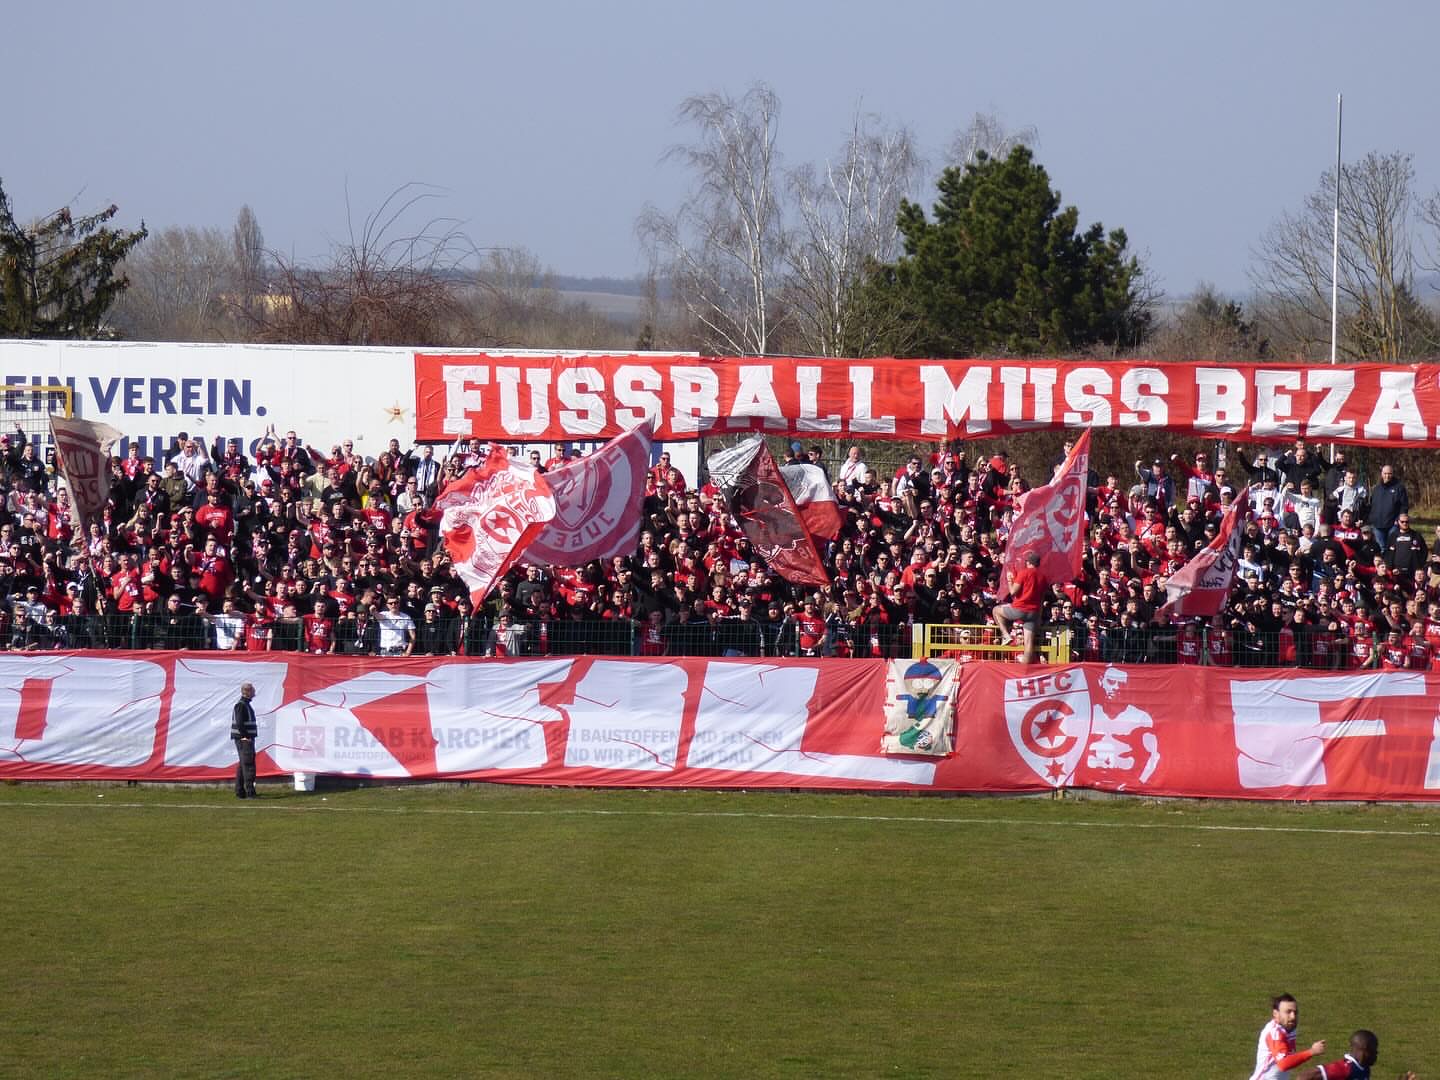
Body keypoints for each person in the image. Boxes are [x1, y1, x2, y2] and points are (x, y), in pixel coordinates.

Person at [1249, 993, 1325, 1080]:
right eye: (1288, 1012)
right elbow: (1283, 1064)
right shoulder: (1274, 1033)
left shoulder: (1289, 1028)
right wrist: (1311, 1051)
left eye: (1295, 1012)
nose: (1293, 1017)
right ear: (1275, 1014)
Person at [1294, 1029, 1415, 1080]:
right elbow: (1303, 1077)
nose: (1377, 1053)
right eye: (1374, 1050)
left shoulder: (1364, 1069)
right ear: (1364, 1050)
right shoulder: (1345, 1068)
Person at [994, 550, 1043, 664]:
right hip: (1034, 612)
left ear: (1028, 563)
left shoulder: (1024, 573)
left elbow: (1013, 593)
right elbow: (1041, 599)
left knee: (996, 610)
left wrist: (1010, 580)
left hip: (1020, 608)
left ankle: (1006, 635)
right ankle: (1025, 669)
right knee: (1028, 643)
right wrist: (1039, 617)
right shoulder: (1044, 577)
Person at [230, 682, 259, 799]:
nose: (254, 693)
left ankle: (240, 792)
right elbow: (240, 722)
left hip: (244, 739)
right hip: (244, 740)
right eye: (253, 691)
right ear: (247, 692)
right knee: (248, 765)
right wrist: (246, 736)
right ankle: (250, 792)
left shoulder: (245, 704)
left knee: (243, 766)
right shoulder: (241, 705)